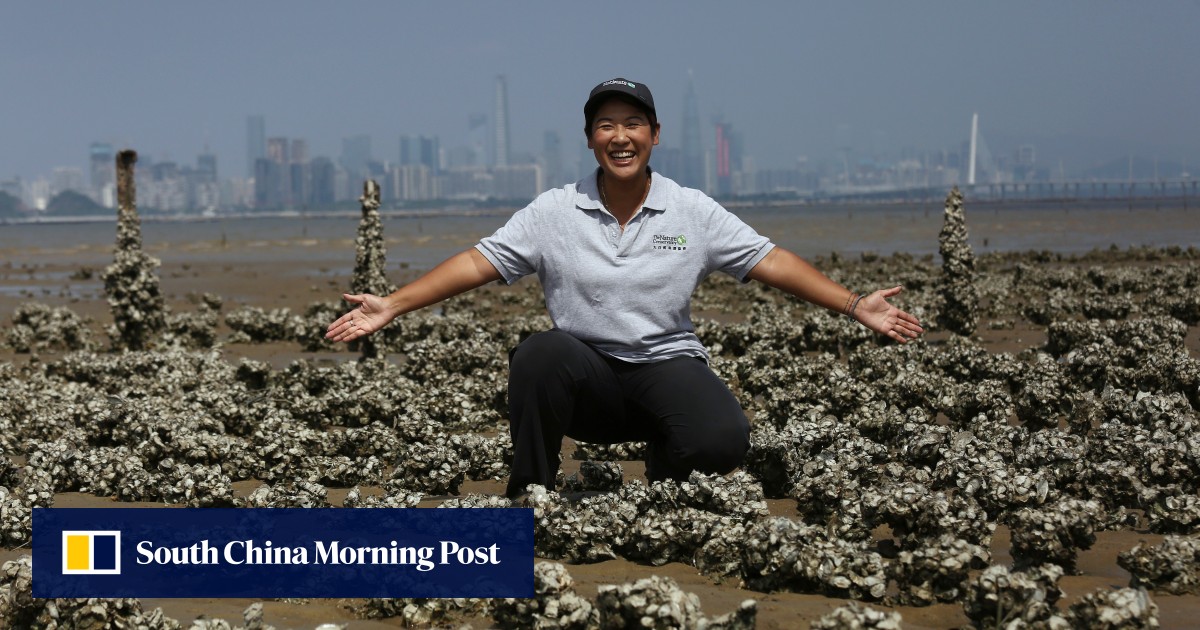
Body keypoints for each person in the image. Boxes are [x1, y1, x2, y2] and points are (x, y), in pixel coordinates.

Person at [326, 77, 924, 498]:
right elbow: (478, 262)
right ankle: (529, 491)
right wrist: (393, 305)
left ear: (655, 135)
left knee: (723, 441)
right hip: (585, 377)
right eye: (606, 124)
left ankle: (666, 469)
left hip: (666, 364)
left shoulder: (691, 210)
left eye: (633, 123)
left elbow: (772, 260)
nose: (621, 135)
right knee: (539, 354)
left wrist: (853, 304)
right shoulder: (554, 210)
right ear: (590, 138)